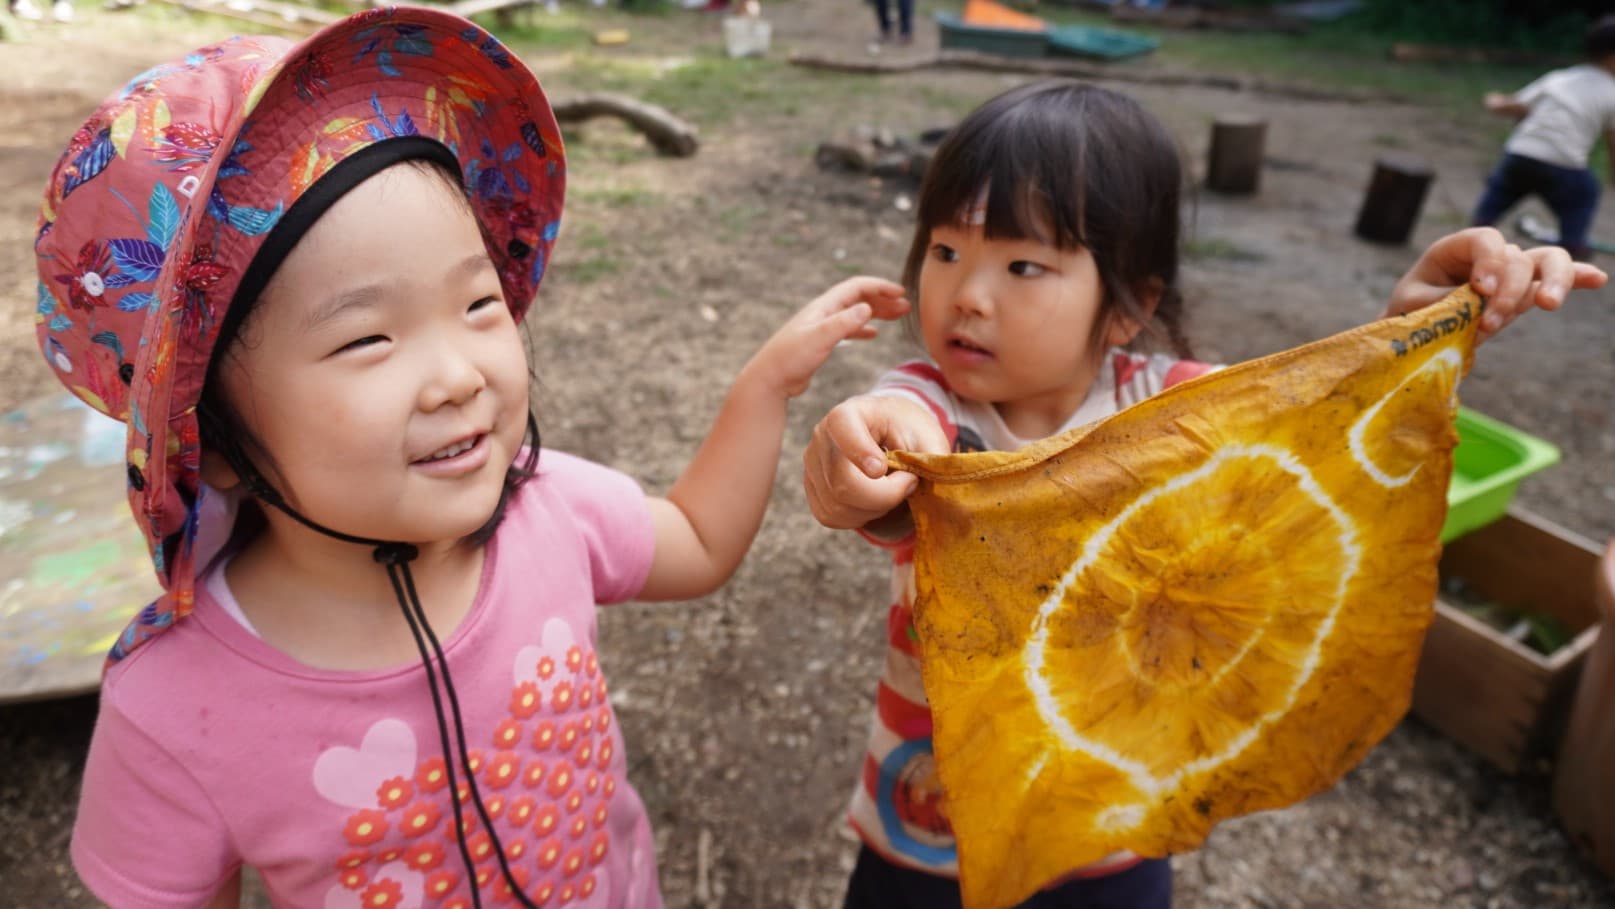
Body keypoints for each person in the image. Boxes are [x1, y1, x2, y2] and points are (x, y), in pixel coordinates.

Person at [36, 9, 907, 908]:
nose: (456, 375)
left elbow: (694, 538)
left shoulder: (548, 508)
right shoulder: (172, 708)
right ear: (209, 440)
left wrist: (763, 388)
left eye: (478, 304)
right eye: (368, 338)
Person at [799, 79, 1607, 909]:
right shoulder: (935, 401)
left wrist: (1409, 329)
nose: (967, 293)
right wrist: (866, 443)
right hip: (936, 812)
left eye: (1021, 264)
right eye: (944, 250)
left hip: (1119, 795)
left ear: (1128, 307)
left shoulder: (1181, 409)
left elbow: (1309, 432)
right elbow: (902, 438)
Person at [1471, 14, 1615, 261]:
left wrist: (1494, 101)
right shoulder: (1611, 93)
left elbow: (1516, 106)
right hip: (1564, 164)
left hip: (1520, 153)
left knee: (1503, 188)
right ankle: (1571, 245)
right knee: (1584, 195)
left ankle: (1477, 228)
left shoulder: (1559, 78)